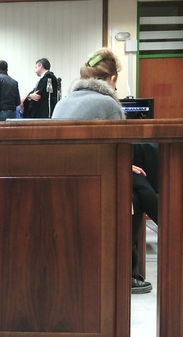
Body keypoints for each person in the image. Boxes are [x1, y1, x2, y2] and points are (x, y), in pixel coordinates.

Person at [51, 48, 156, 294]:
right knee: (137, 191)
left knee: (136, 186)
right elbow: (120, 151)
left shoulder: (62, 103)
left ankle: (133, 269)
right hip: (94, 181)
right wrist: (125, 166)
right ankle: (129, 272)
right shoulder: (108, 104)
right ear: (113, 79)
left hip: (64, 179)